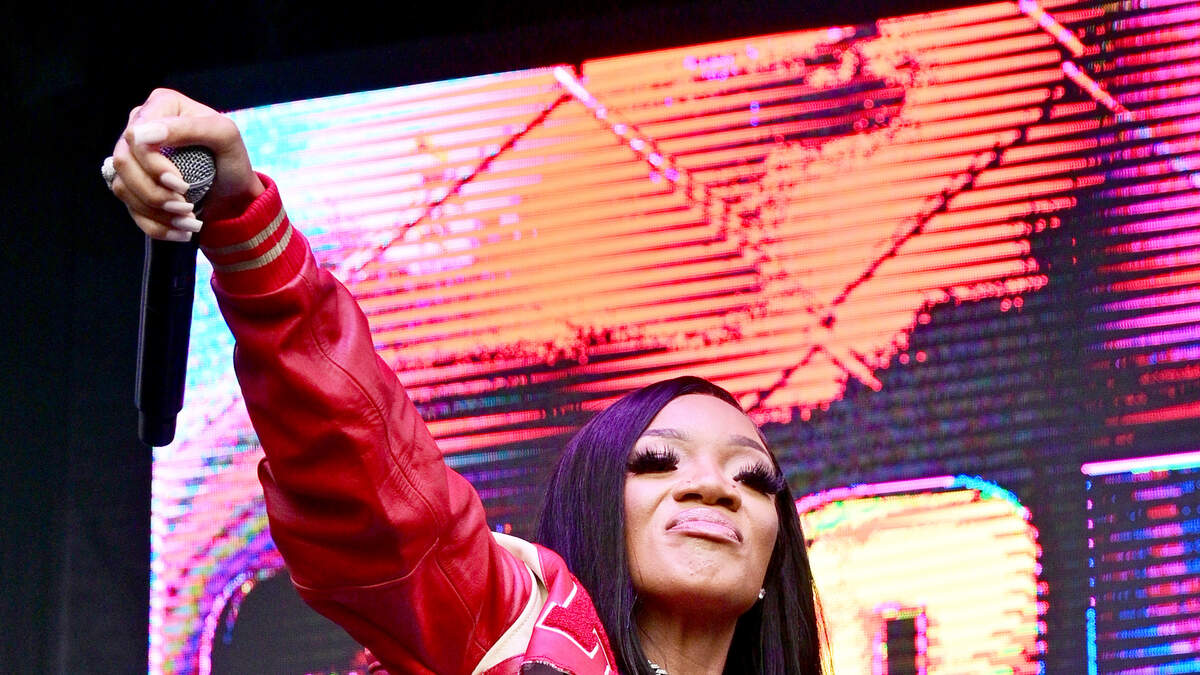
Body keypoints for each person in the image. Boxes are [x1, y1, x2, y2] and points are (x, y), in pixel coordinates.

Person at [107, 88, 825, 675]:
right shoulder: (506, 634)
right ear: (594, 514)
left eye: (755, 478)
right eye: (659, 461)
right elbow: (370, 474)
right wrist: (241, 219)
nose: (714, 486)